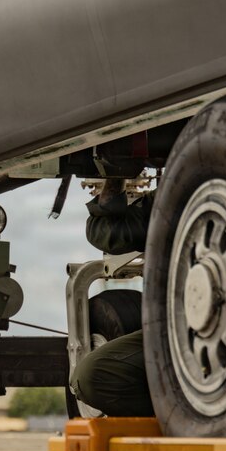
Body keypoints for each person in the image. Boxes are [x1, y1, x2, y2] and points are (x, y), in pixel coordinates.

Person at [69, 178, 155, 417]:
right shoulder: (179, 192)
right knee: (93, 376)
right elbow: (107, 231)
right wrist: (117, 175)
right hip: (187, 334)